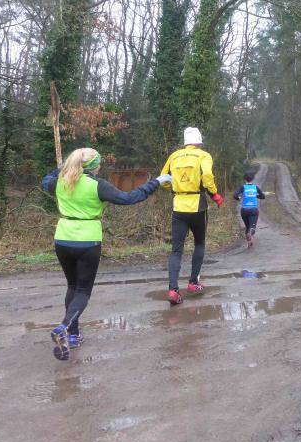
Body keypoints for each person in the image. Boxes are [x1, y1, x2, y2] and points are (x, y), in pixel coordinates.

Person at [41, 148, 171, 360]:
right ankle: (64, 327)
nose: (100, 167)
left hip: (62, 239)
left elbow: (45, 180)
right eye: (99, 164)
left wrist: (60, 169)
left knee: (72, 286)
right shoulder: (97, 185)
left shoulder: (60, 181)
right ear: (94, 167)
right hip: (88, 241)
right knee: (83, 291)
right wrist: (156, 182)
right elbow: (129, 198)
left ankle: (73, 335)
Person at [160, 127, 224, 305]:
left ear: (185, 142)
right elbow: (207, 176)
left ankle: (173, 290)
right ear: (199, 142)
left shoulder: (174, 156)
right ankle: (193, 283)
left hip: (178, 205)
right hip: (198, 206)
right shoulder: (204, 155)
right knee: (199, 243)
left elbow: (163, 178)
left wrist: (174, 188)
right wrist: (214, 194)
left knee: (176, 250)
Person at [233, 171, 266, 247]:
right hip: (253, 210)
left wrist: (238, 198)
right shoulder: (255, 187)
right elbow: (263, 196)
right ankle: (250, 234)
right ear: (253, 178)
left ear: (245, 178)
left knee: (247, 226)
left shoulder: (242, 187)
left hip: (244, 210)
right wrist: (255, 195)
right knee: (252, 227)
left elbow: (235, 195)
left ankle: (249, 242)